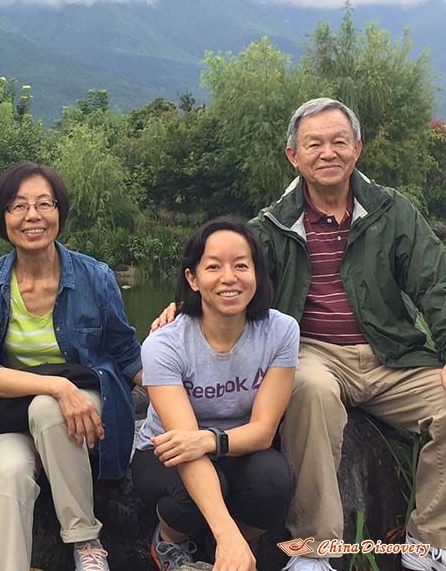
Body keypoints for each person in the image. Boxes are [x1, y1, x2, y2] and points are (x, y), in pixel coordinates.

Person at [153, 98, 446, 571]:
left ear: (358, 149)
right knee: (309, 391)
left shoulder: (392, 212)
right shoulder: (269, 226)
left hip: (393, 354)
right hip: (314, 352)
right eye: (314, 144)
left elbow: (437, 283)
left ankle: (429, 541)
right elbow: (226, 275)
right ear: (294, 156)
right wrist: (183, 308)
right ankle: (312, 551)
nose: (327, 152)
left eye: (338, 141)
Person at [0, 161, 143, 571]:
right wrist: (57, 387)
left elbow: (125, 352)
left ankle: (85, 542)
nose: (32, 216)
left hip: (84, 407)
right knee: (8, 475)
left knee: (48, 408)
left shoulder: (95, 276)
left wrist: (182, 388)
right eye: (18, 205)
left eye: (44, 204)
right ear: (2, 217)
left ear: (59, 212)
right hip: (11, 415)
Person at [134, 218, 298, 571]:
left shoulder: (281, 331)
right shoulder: (164, 344)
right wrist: (228, 535)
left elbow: (263, 431)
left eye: (241, 265)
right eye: (213, 267)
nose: (229, 278)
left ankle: (219, 546)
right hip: (167, 452)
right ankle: (169, 540)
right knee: (199, 493)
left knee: (275, 483)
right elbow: (183, 444)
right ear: (192, 279)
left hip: (237, 445)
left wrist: (210, 441)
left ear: (258, 274)